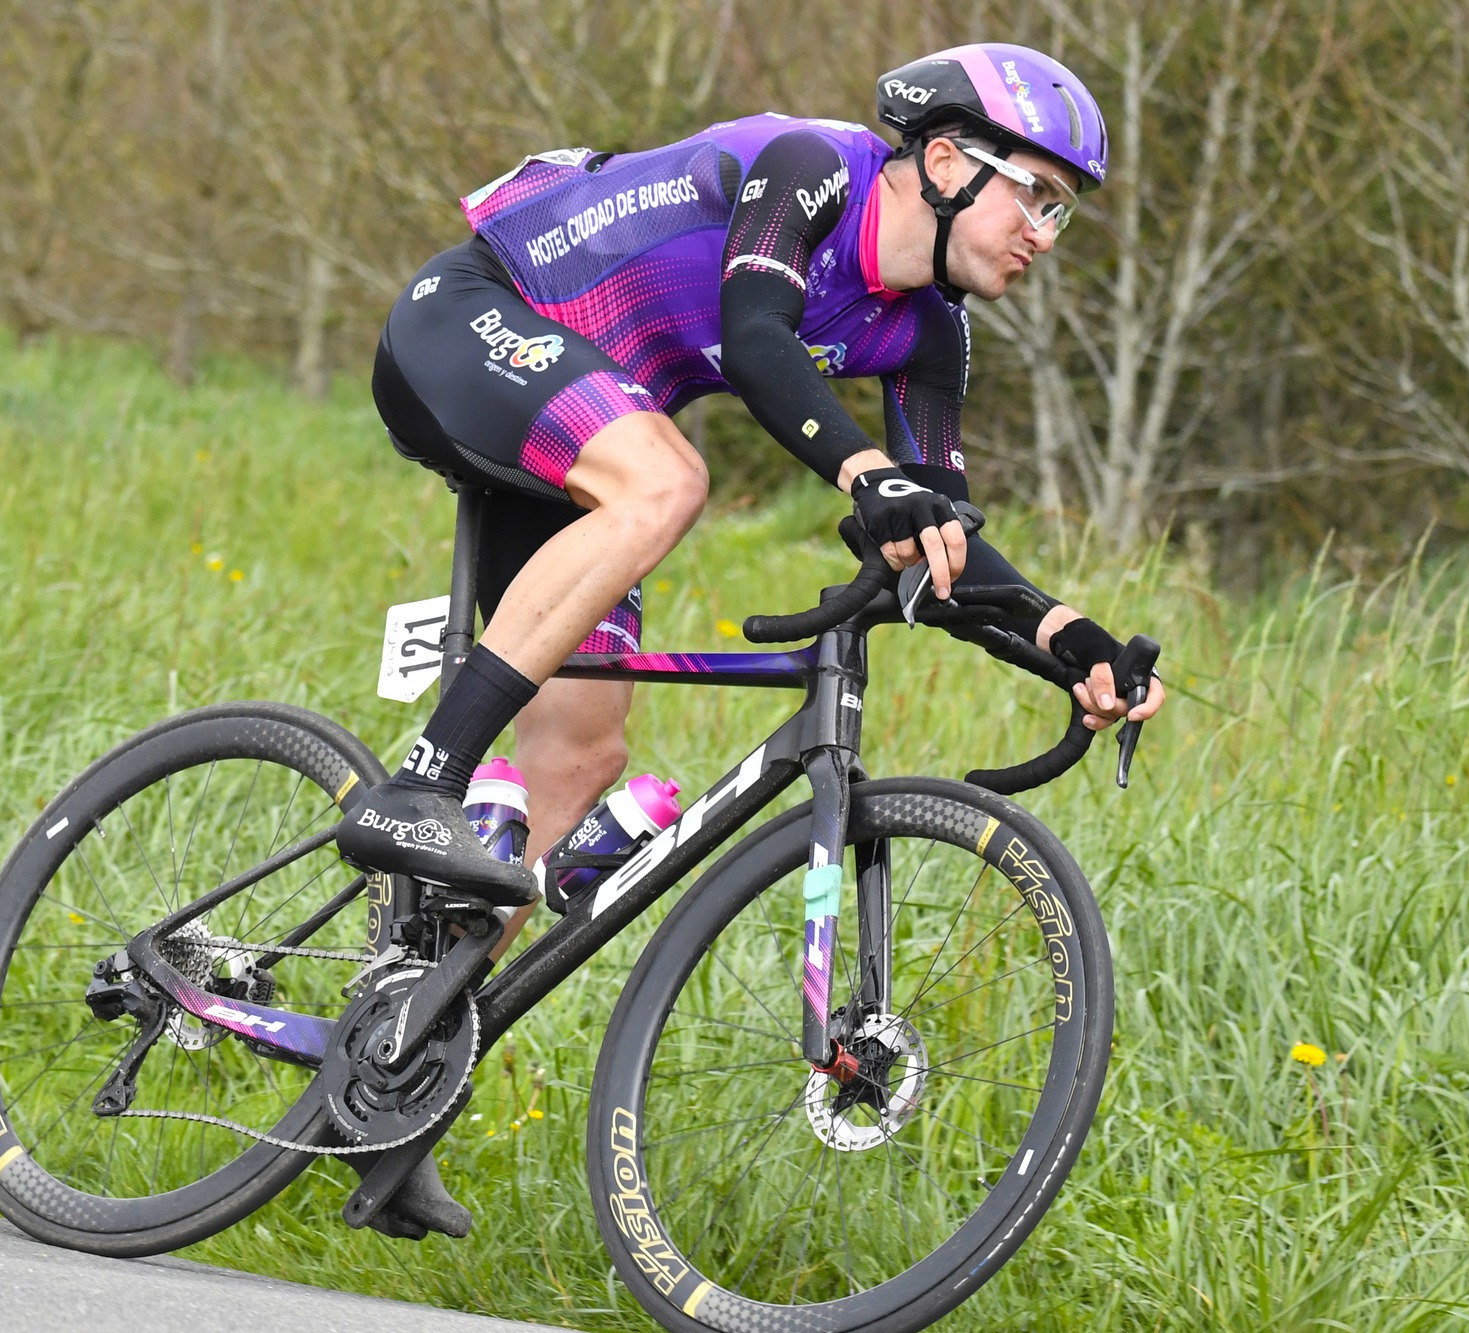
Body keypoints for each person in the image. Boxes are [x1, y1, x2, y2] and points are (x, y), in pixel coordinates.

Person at [344, 40, 1166, 941]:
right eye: (1035, 196)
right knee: (670, 481)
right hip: (474, 316)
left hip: (585, 433)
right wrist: (865, 473)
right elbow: (757, 338)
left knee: (583, 752)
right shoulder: (811, 168)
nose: (1044, 234)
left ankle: (404, 1027)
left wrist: (1067, 638)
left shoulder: (933, 336)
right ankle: (419, 786)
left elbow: (940, 535)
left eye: (1063, 214)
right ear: (944, 163)